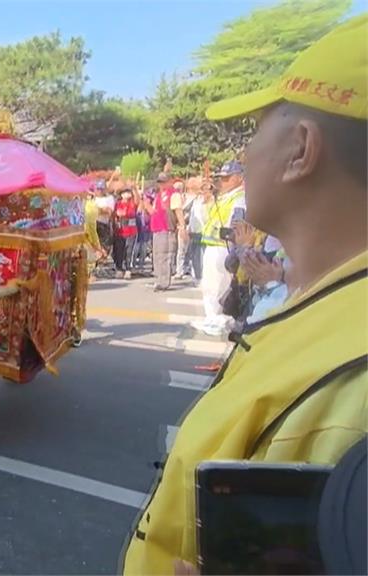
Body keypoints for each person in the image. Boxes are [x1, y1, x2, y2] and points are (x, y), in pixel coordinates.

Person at [123, 15, 368, 573]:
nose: (244, 155)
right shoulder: (330, 306)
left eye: (253, 130)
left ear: (301, 150)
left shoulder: (354, 376)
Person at [191, 161, 245, 336]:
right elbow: (206, 219)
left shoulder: (240, 198)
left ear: (238, 178)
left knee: (219, 285)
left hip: (224, 247)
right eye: (222, 179)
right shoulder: (223, 197)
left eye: (227, 178)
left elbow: (237, 223)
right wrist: (205, 201)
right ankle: (211, 317)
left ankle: (219, 319)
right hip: (211, 245)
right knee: (209, 285)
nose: (223, 182)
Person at [145, 173, 183, 290]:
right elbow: (154, 211)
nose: (162, 184)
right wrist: (147, 206)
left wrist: (182, 226)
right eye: (160, 182)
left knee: (164, 255)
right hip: (156, 228)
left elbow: (178, 211)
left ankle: (164, 282)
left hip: (167, 228)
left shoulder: (174, 195)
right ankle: (158, 279)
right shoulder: (158, 195)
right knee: (157, 256)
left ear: (169, 181)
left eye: (164, 182)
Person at [112, 188, 139, 279]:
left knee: (129, 250)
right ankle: (119, 269)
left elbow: (137, 201)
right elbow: (117, 214)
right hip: (120, 231)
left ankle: (128, 269)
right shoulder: (118, 204)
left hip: (131, 231)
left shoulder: (132, 204)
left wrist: (134, 188)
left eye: (128, 192)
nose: (127, 194)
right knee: (120, 250)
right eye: (125, 192)